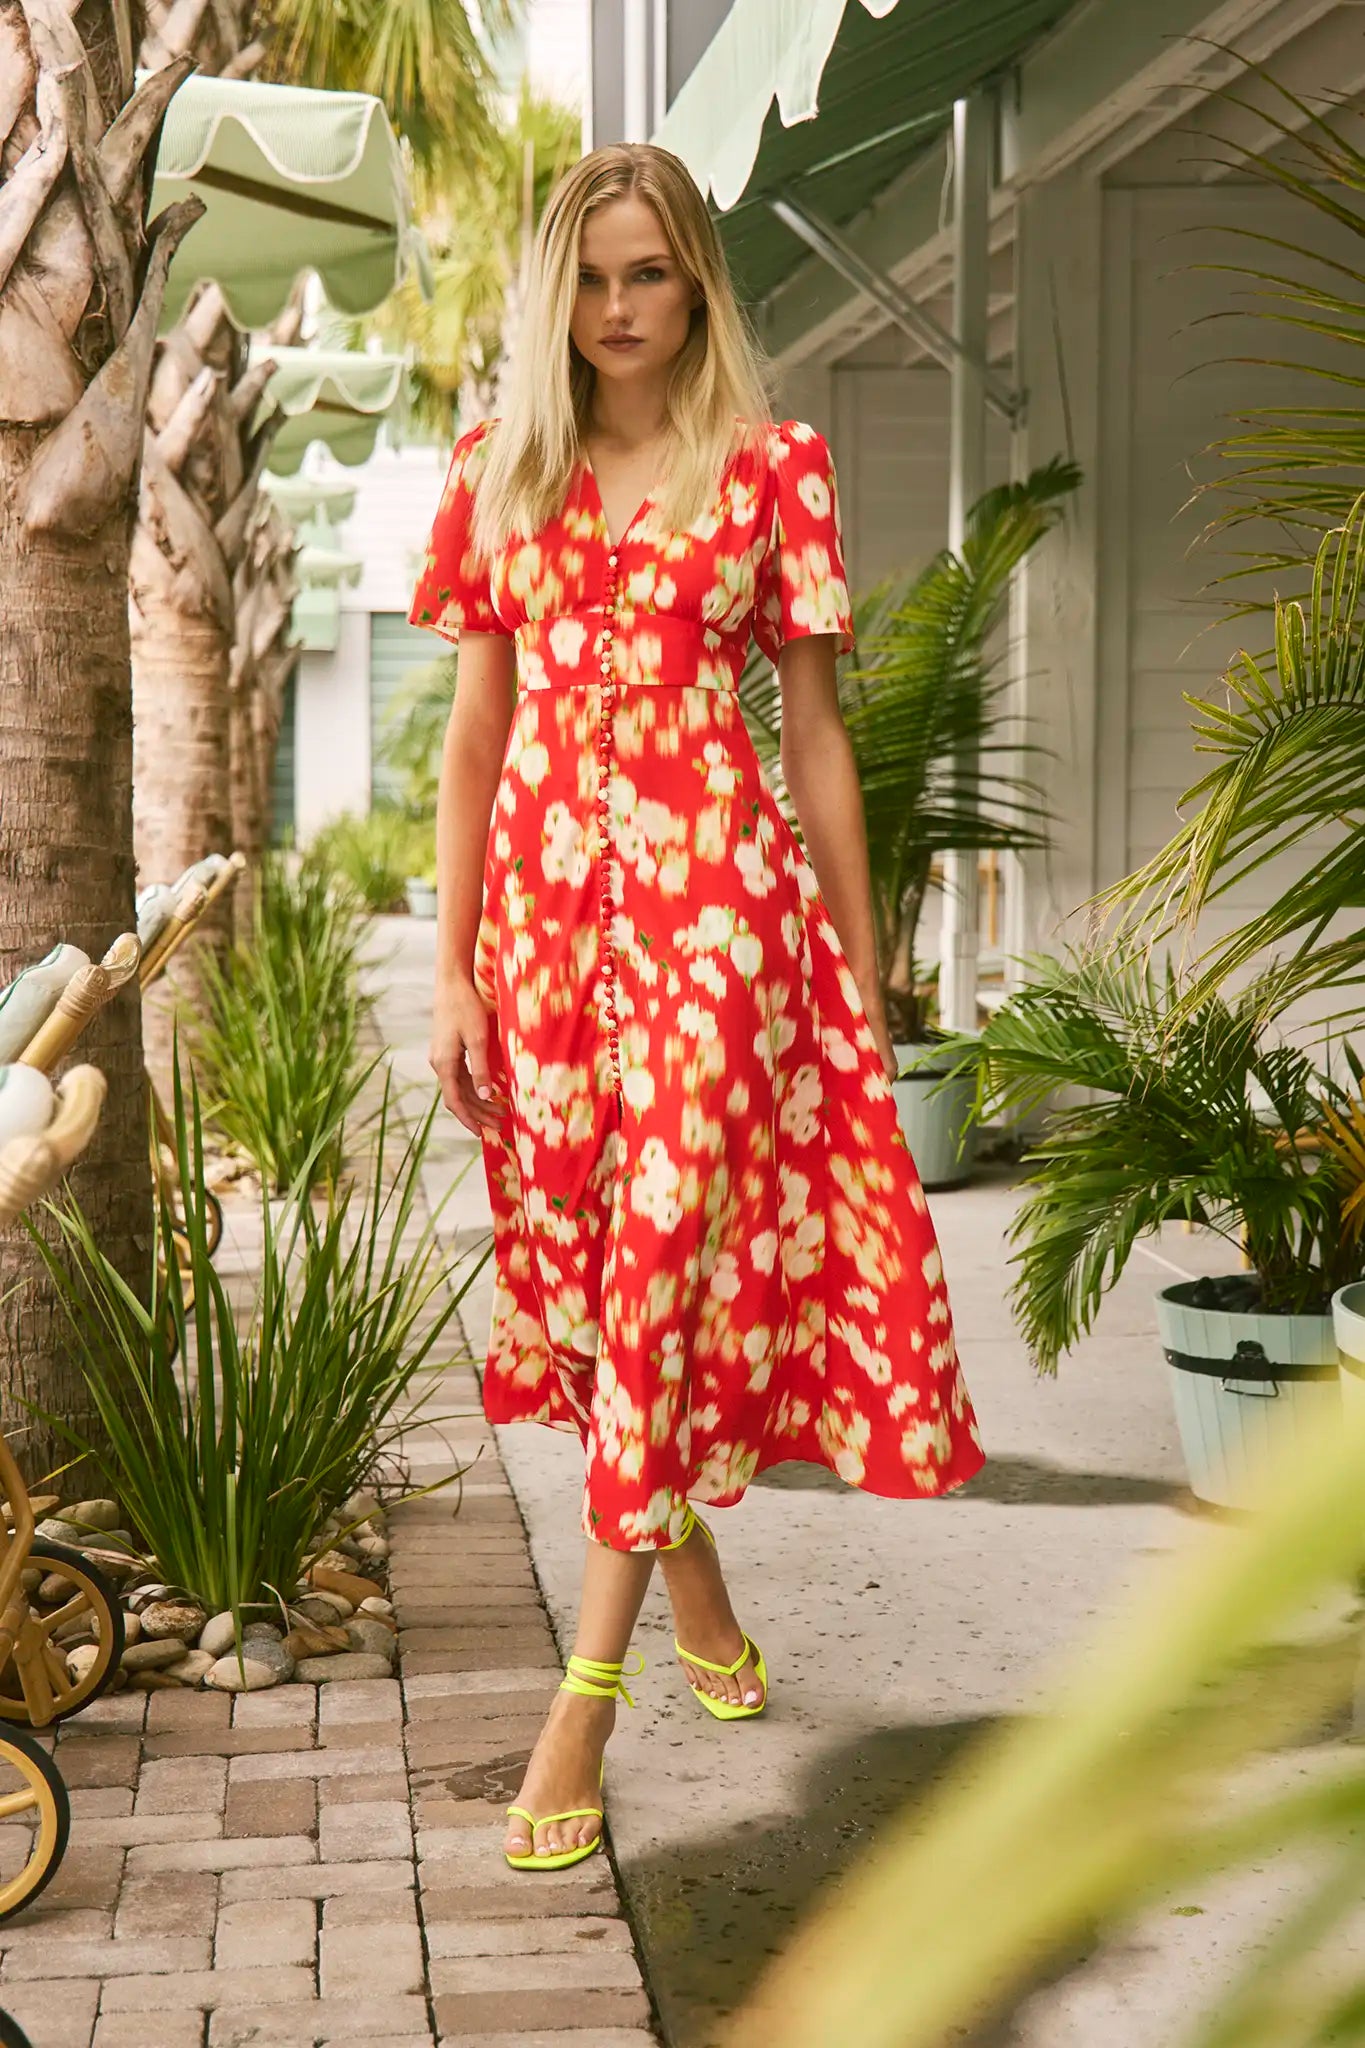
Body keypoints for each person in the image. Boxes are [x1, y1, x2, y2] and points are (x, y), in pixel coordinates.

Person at [410, 141, 985, 1874]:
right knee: (585, 1276)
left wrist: (868, 965)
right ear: (550, 293)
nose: (614, 310)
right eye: (588, 279)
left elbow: (811, 733)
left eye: (646, 275)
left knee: (658, 1261)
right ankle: (702, 1599)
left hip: (717, 926)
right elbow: (471, 745)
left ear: (699, 284)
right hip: (540, 938)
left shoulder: (768, 468)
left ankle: (582, 1709)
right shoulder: (499, 470)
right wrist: (449, 965)